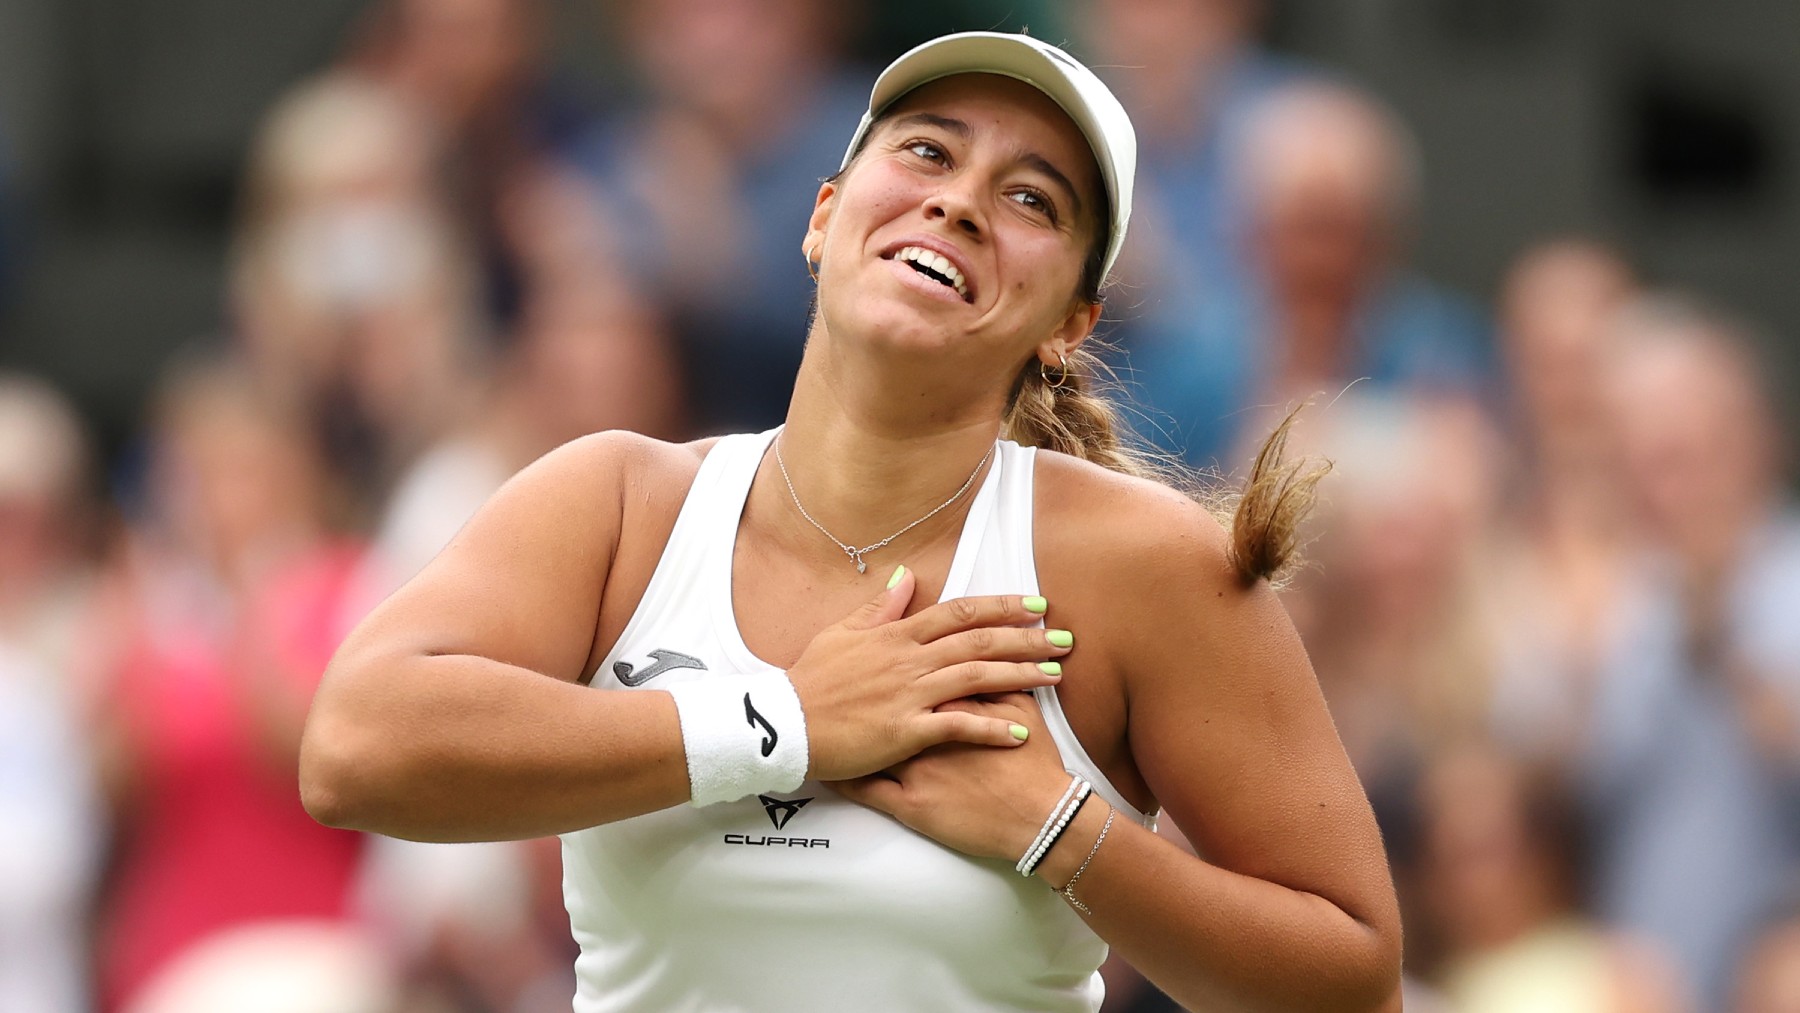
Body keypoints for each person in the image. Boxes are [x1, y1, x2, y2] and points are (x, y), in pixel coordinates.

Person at [301, 32, 1402, 1011]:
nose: (962, 200)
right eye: (926, 151)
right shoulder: (619, 502)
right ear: (826, 216)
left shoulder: (1143, 563)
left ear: (1071, 322)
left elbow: (1354, 983)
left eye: (1033, 199)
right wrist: (780, 720)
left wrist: (1060, 828)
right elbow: (354, 748)